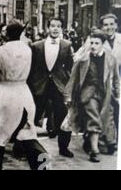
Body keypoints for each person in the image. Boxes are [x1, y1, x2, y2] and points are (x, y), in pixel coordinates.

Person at [0, 20, 47, 170]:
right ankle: (39, 164)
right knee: (25, 130)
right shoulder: (26, 48)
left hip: (6, 92)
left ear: (7, 34)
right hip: (23, 91)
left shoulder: (4, 50)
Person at [65, 30, 119, 162]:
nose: (93, 46)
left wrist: (118, 93)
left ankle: (94, 142)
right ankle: (94, 151)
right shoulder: (83, 59)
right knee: (94, 117)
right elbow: (73, 79)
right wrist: (68, 96)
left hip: (105, 94)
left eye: (97, 43)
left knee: (106, 117)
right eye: (91, 43)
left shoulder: (111, 59)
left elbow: (116, 78)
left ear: (103, 44)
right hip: (88, 93)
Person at [28, 17, 75, 158]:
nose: (55, 28)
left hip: (58, 86)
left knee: (62, 116)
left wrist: (65, 81)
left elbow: (69, 67)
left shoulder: (67, 45)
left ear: (61, 28)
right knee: (32, 116)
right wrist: (31, 84)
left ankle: (64, 148)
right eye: (53, 26)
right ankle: (26, 147)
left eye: (58, 26)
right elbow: (32, 68)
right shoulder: (37, 45)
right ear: (48, 28)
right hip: (40, 85)